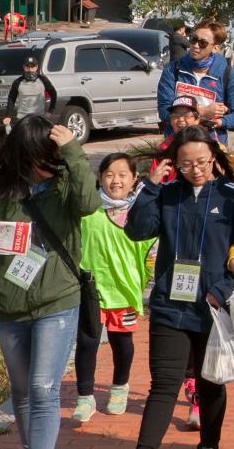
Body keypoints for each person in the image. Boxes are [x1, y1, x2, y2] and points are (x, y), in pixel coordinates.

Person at [0, 117, 97, 449]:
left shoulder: (67, 183)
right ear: (23, 155)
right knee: (21, 391)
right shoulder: (2, 193)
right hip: (10, 308)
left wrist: (73, 152)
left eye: (53, 156)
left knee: (42, 388)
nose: (49, 165)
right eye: (42, 158)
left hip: (57, 303)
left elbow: (90, 204)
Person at [126, 126, 234, 449]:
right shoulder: (168, 194)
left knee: (210, 384)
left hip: (212, 309)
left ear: (214, 157)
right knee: (163, 386)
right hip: (169, 307)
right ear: (175, 164)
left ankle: (209, 444)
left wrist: (223, 288)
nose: (195, 170)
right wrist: (149, 186)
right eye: (186, 164)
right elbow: (137, 229)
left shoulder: (233, 195)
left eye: (201, 162)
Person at [72, 152, 154, 422]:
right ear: (99, 178)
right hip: (92, 291)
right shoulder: (88, 210)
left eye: (122, 175)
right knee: (87, 342)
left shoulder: (141, 213)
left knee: (122, 343)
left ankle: (119, 387)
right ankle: (84, 397)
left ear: (134, 179)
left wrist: (147, 281)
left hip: (125, 292)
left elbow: (151, 253)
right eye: (109, 174)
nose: (115, 181)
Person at [156, 18, 234, 145]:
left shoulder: (228, 74)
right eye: (193, 39)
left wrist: (218, 121)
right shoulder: (172, 70)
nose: (195, 45)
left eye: (203, 43)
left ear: (215, 48)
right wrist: (202, 112)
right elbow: (164, 111)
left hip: (211, 146)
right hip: (177, 145)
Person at [3, 54, 58, 132]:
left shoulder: (43, 80)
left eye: (32, 67)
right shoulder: (18, 82)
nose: (30, 69)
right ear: (24, 67)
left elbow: (53, 94)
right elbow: (11, 98)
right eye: (27, 67)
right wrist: (8, 115)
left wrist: (50, 111)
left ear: (36, 67)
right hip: (22, 119)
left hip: (39, 118)